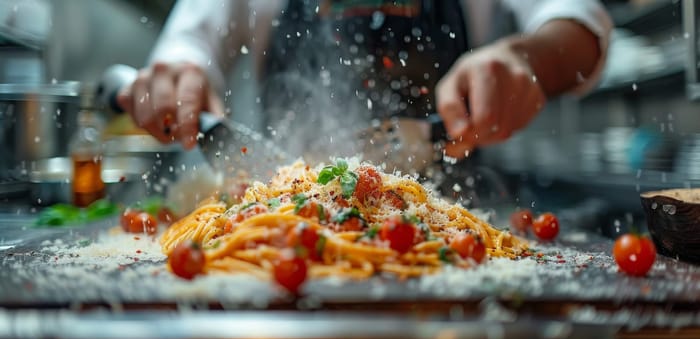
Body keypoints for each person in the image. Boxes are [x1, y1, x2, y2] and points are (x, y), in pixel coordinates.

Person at [117, 0, 612, 161]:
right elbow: (188, 47)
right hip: (289, 216)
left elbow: (578, 24)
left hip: (461, 219)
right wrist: (179, 74)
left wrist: (525, 56)